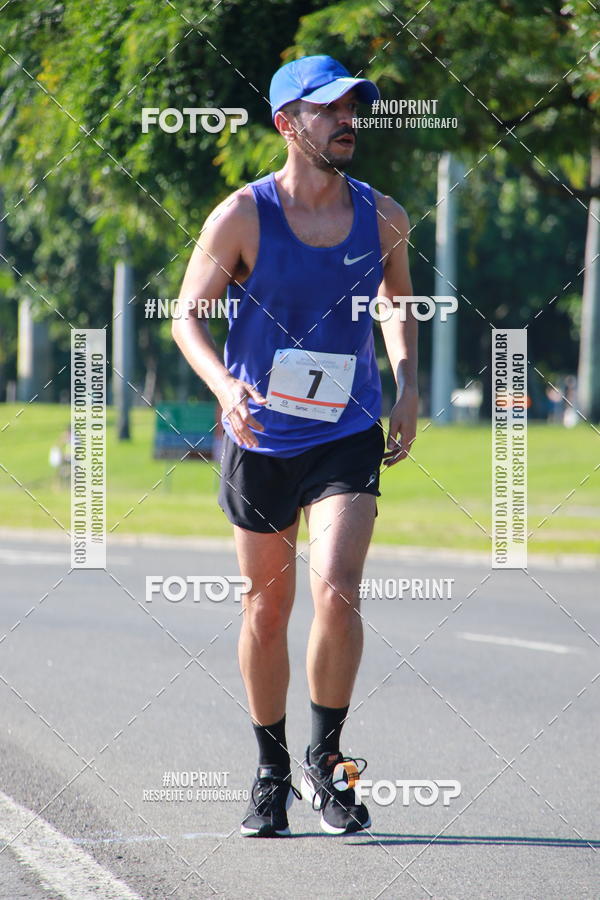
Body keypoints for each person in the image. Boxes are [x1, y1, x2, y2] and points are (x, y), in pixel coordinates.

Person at [172, 54, 418, 837]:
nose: (348, 119)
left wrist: (407, 381)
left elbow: (396, 303)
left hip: (347, 431)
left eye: (354, 107)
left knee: (337, 586)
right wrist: (223, 388)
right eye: (329, 109)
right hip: (261, 435)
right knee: (266, 605)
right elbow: (187, 315)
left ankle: (327, 762)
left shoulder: (384, 215)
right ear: (287, 123)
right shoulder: (242, 216)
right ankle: (271, 769)